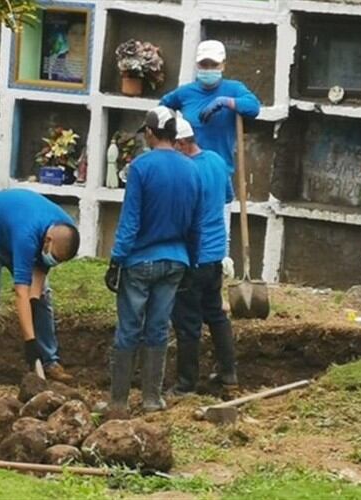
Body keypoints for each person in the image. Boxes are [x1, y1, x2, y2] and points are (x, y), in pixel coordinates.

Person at [103, 106, 201, 415]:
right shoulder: (191, 169)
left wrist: (116, 259)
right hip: (176, 262)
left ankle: (118, 402)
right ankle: (151, 399)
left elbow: (130, 220)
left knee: (129, 328)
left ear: (149, 133)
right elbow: (196, 225)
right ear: (174, 135)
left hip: (140, 261)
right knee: (158, 329)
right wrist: (192, 262)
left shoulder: (141, 168)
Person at [160, 39, 260, 271]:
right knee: (186, 221)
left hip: (218, 170)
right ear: (197, 66)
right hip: (186, 168)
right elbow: (162, 108)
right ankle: (184, 265)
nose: (208, 69)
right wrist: (174, 127)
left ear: (223, 65)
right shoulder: (185, 93)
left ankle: (218, 270)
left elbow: (253, 107)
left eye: (213, 64)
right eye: (204, 65)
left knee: (218, 226)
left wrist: (225, 102)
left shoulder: (233, 88)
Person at [0, 189, 80, 385]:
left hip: (16, 229)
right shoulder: (26, 236)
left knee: (44, 295)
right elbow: (21, 292)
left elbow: (40, 272)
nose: (53, 261)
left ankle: (49, 361)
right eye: (54, 256)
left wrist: (34, 302)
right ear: (47, 241)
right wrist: (30, 344)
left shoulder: (64, 230)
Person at [168, 116, 238, 396]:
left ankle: (186, 385)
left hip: (194, 257)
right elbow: (226, 198)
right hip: (215, 256)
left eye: (171, 145)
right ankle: (229, 373)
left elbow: (182, 217)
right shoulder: (217, 161)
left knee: (187, 323)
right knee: (216, 315)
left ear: (182, 144)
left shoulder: (186, 171)